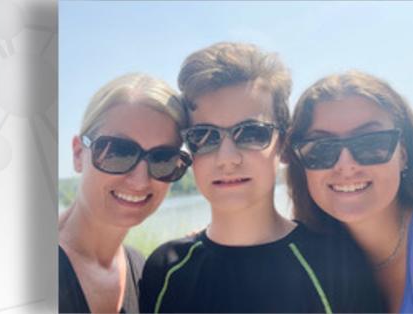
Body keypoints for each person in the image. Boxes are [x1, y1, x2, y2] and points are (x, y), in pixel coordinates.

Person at [139, 43, 386, 313]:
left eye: (251, 133)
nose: (227, 158)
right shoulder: (165, 271)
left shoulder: (337, 267)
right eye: (205, 136)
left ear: (283, 144)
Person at [285, 70, 413, 313]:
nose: (346, 165)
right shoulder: (311, 263)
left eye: (370, 142)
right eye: (321, 149)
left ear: (403, 155)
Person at [58, 73, 192, 313]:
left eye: (162, 159)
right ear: (79, 154)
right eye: (118, 152)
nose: (140, 181)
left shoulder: (142, 272)